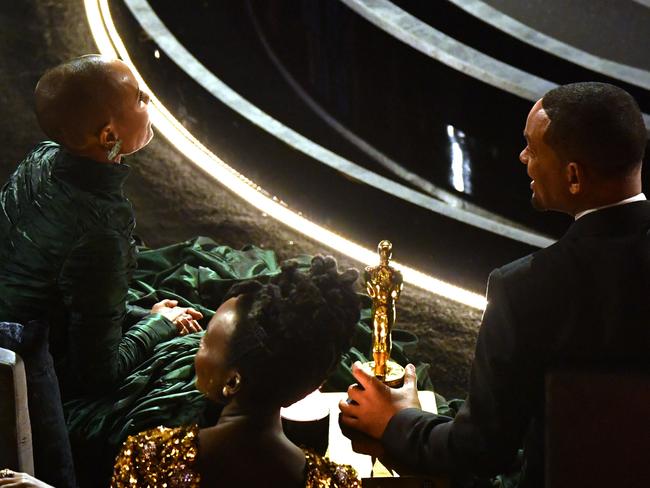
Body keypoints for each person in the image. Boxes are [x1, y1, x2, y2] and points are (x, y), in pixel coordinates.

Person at [339, 82, 650, 487]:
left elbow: (481, 451)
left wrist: (397, 421)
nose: (523, 158)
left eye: (532, 149)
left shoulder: (523, 290)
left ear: (573, 176)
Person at [0, 55, 202, 399]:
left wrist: (141, 315)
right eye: (138, 98)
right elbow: (98, 374)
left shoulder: (42, 156)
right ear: (109, 136)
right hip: (37, 371)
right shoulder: (101, 234)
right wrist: (158, 325)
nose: (149, 99)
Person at [111, 256, 362, 487]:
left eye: (205, 341)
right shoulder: (336, 482)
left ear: (232, 381)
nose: (197, 349)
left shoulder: (151, 458)